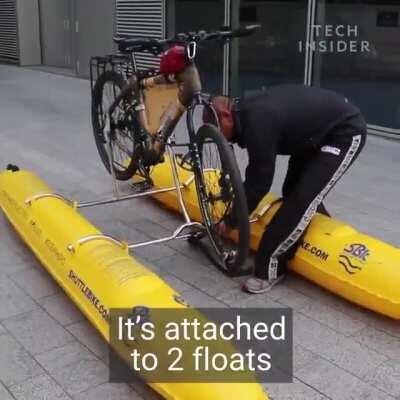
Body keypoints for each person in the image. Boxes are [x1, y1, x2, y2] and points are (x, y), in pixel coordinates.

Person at [203, 84, 367, 294]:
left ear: (226, 115)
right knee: (292, 188)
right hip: (313, 134)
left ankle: (269, 269)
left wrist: (231, 221)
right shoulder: (246, 111)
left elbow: (258, 183)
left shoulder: (258, 122)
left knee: (301, 198)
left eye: (218, 131)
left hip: (343, 132)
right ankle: (320, 230)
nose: (221, 138)